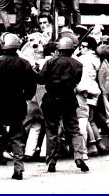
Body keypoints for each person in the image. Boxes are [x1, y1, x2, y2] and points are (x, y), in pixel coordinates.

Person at [0, 33, 37, 181]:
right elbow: (31, 86)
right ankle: (18, 169)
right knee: (17, 137)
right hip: (17, 104)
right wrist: (26, 97)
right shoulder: (25, 64)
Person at [38, 37, 89, 173]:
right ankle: (79, 157)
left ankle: (51, 161)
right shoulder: (77, 64)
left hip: (51, 99)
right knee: (74, 129)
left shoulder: (50, 62)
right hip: (69, 99)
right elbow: (77, 81)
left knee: (52, 131)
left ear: (58, 49)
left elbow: (41, 80)